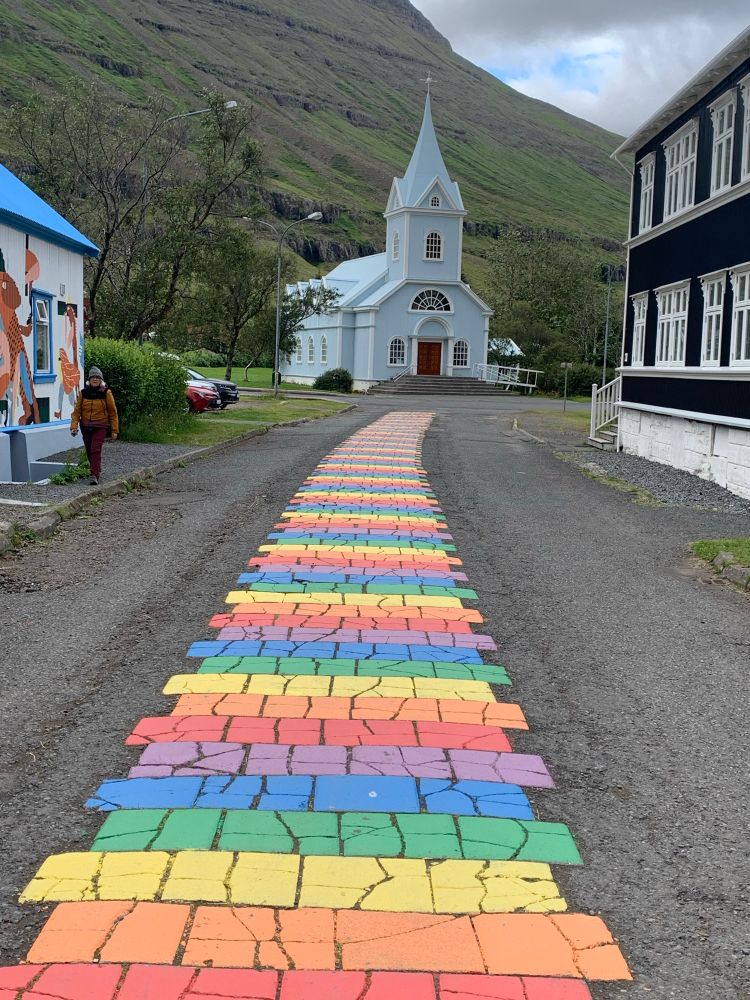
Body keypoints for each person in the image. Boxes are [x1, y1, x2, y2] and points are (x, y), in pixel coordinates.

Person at [70, 366, 119, 485]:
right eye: (93, 377)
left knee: (95, 449)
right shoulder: (83, 393)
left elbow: (113, 412)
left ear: (101, 380)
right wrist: (74, 426)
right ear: (89, 379)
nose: (95, 379)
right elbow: (77, 411)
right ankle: (96, 468)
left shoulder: (106, 393)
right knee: (88, 450)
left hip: (100, 425)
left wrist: (115, 430)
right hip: (85, 425)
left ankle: (94, 475)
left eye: (97, 377)